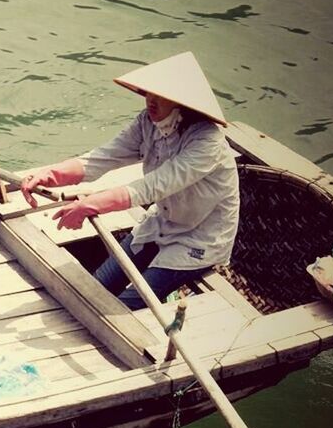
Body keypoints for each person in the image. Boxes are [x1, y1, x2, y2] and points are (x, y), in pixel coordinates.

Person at [20, 51, 240, 310]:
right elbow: (101, 158)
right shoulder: (146, 123)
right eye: (148, 92)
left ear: (181, 102)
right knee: (95, 288)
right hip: (162, 222)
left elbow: (152, 186)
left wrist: (90, 205)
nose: (151, 101)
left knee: (124, 306)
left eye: (160, 96)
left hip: (198, 238)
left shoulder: (206, 142)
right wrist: (49, 175)